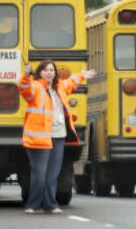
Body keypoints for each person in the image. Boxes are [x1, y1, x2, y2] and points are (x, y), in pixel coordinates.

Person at [18, 59, 96, 213]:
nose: (49, 73)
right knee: (39, 174)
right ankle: (32, 204)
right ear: (40, 72)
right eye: (46, 70)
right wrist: (26, 75)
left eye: (51, 70)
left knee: (52, 174)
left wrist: (83, 75)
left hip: (58, 136)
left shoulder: (59, 87)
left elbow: (71, 82)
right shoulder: (35, 87)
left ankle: (50, 204)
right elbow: (24, 88)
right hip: (39, 138)